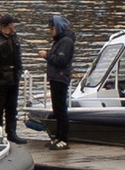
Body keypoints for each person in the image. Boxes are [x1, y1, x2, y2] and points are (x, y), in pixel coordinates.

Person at [0, 14, 24, 143]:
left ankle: (12, 133)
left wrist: (19, 72)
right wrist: (1, 73)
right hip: (0, 81)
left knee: (12, 107)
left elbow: (18, 56)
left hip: (14, 78)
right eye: (12, 24)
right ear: (7, 26)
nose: (14, 26)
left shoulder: (14, 37)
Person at [43, 13, 76, 148]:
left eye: (52, 29)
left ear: (58, 27)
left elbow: (61, 60)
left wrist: (46, 55)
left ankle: (63, 139)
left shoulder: (66, 42)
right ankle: (57, 136)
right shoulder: (59, 40)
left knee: (61, 109)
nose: (51, 31)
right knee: (57, 109)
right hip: (55, 78)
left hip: (60, 78)